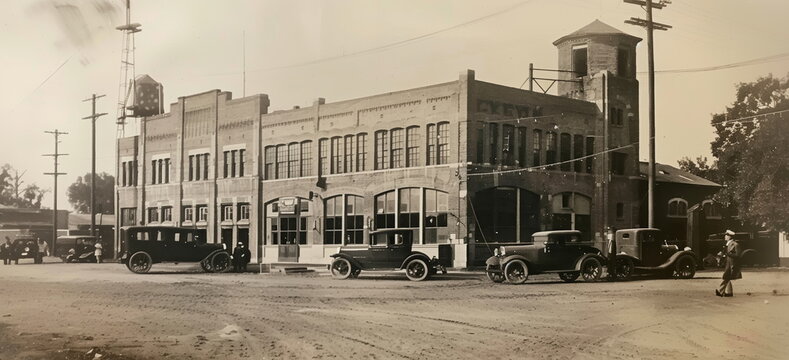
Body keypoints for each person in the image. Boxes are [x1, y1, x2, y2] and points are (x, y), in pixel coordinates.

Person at [716, 230, 742, 297]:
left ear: (730, 237)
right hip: (728, 264)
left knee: (726, 277)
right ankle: (729, 293)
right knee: (727, 277)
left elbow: (738, 255)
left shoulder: (735, 244)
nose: (725, 237)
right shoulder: (727, 245)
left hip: (732, 264)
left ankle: (720, 291)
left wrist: (728, 254)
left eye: (726, 235)